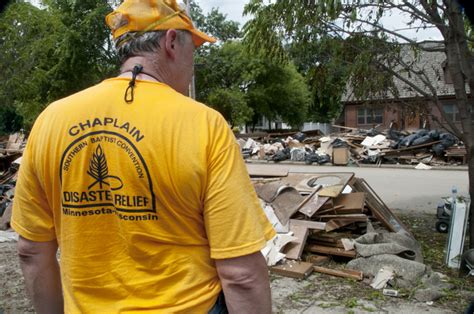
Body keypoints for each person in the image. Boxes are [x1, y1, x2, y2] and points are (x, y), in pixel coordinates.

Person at [11, 0, 276, 313]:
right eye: (195, 47)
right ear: (172, 41)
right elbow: (241, 273)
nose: (194, 62)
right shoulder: (206, 125)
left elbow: (31, 251)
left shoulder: (50, 121)